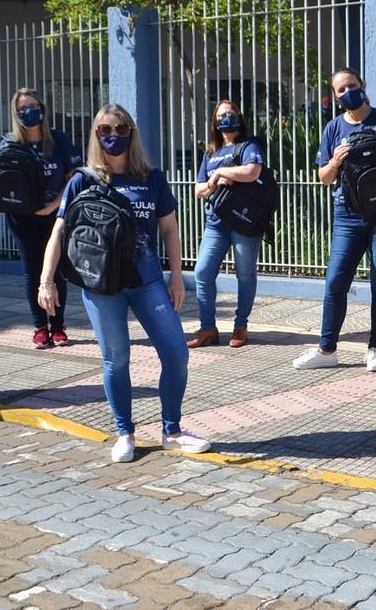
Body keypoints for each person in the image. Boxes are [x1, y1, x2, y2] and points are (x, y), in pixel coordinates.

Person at [39, 104, 210, 462]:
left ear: (131, 133)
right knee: (116, 359)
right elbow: (59, 231)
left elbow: (170, 230)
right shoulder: (83, 180)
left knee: (176, 354)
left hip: (146, 277)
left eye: (120, 129)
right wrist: (46, 281)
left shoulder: (151, 178)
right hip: (101, 282)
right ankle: (125, 433)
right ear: (96, 134)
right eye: (105, 129)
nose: (113, 135)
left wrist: (177, 277)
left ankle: (172, 431)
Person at [293, 67, 376, 372]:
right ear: (336, 97)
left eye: (352, 85)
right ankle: (327, 350)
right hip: (348, 215)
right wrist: (335, 161)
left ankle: (375, 348)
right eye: (341, 89)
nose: (348, 92)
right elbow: (324, 177)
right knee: (336, 280)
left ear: (363, 85)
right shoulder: (333, 128)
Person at [0, 88, 82, 350]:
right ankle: (40, 327)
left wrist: (54, 205)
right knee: (33, 271)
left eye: (33, 106)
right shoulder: (10, 143)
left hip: (54, 216)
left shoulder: (58, 140)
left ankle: (58, 325)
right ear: (16, 114)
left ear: (42, 108)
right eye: (23, 108)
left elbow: (74, 176)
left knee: (56, 270)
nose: (29, 112)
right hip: (22, 217)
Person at [188, 99, 265, 349]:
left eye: (231, 114)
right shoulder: (211, 152)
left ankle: (241, 325)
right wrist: (214, 183)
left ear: (240, 118)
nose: (226, 118)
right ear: (214, 122)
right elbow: (198, 189)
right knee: (202, 272)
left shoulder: (249, 145)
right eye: (221, 115)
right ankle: (207, 328)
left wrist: (222, 172)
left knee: (245, 274)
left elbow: (252, 171)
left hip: (244, 220)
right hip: (216, 222)